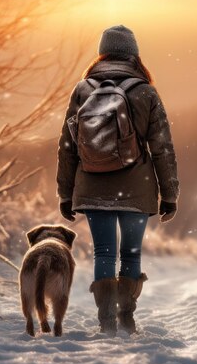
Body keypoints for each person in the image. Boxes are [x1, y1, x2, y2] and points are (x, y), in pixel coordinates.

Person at [56, 24, 179, 336]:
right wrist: (169, 194)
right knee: (131, 254)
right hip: (136, 189)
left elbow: (68, 146)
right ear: (134, 55)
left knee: (104, 253)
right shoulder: (146, 92)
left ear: (102, 53)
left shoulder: (82, 90)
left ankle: (106, 321)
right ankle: (126, 318)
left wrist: (65, 193)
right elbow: (162, 147)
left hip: (92, 186)